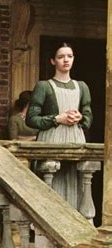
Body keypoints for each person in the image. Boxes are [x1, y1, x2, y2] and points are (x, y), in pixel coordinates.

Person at [26, 42, 93, 209]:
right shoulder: (44, 86)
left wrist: (80, 117)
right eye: (61, 57)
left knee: (74, 181)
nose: (66, 60)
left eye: (69, 56)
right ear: (52, 61)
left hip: (75, 139)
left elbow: (88, 116)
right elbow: (31, 119)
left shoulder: (82, 87)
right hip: (51, 138)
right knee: (51, 182)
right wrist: (57, 119)